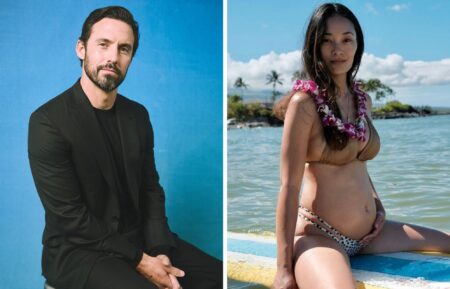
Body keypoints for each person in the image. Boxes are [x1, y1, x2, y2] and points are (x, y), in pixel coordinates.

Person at [28, 6, 221, 289]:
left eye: (124, 49)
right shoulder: (47, 122)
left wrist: (160, 251)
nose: (112, 57)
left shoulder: (137, 115)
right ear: (81, 49)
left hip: (140, 239)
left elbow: (150, 189)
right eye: (103, 45)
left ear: (131, 57)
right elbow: (70, 218)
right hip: (80, 252)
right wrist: (142, 261)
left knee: (217, 277)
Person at [271, 3, 450, 289]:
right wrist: (283, 270)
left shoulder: (362, 99)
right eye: (327, 40)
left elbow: (359, 164)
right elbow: (288, 187)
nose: (337, 49)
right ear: (314, 46)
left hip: (372, 234)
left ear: (358, 44)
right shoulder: (304, 105)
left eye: (346, 39)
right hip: (321, 237)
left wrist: (378, 207)